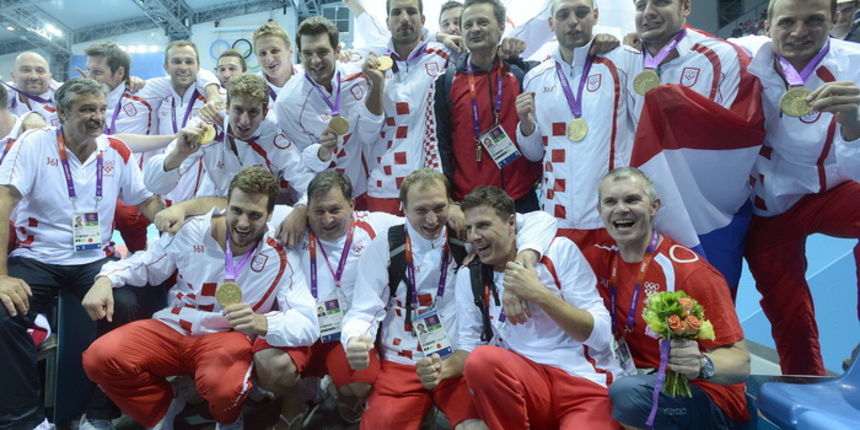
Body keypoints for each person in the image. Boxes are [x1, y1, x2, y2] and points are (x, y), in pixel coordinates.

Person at [81, 166, 318, 429]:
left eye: (254, 215)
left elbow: (307, 322)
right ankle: (163, 407)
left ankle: (229, 417)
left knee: (225, 389)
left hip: (228, 337)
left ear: (270, 215)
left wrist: (263, 323)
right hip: (174, 326)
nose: (242, 223)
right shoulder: (191, 230)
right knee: (99, 358)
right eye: (237, 211)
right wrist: (105, 278)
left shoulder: (281, 254)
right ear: (226, 205)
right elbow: (148, 265)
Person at [0, 78, 164, 430]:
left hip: (94, 260)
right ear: (61, 113)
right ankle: (25, 419)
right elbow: (3, 203)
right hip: (36, 257)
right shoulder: (33, 144)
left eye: (102, 109)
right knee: (2, 312)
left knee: (126, 304)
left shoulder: (116, 149)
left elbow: (145, 200)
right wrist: (1, 277)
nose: (98, 117)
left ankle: (99, 411)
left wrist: (167, 217)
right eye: (87, 109)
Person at [342, 168, 557, 429]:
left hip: (456, 359)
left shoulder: (466, 234)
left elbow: (542, 221)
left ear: (450, 203)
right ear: (403, 209)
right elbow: (364, 310)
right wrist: (354, 338)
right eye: (421, 210)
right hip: (402, 361)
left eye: (439, 207)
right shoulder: (384, 247)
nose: (432, 219)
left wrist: (523, 263)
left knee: (478, 427)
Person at [738, 0, 860, 376]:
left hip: (834, 191)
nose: (798, 31)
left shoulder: (856, 63)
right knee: (786, 311)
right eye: (787, 21)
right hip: (770, 206)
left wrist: (854, 123)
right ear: (767, 25)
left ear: (835, 20)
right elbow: (688, 43)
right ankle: (806, 382)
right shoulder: (743, 55)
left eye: (814, 20)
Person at [439, 185, 620, 430]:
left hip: (582, 381)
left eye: (482, 225)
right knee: (481, 360)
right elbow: (471, 345)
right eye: (469, 228)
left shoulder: (558, 251)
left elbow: (600, 335)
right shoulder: (469, 275)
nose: (473, 237)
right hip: (528, 385)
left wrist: (539, 294)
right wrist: (442, 367)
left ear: (511, 223)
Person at [590, 167, 750, 429]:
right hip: (640, 378)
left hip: (705, 396)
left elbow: (740, 361)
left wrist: (702, 364)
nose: (621, 209)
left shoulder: (689, 271)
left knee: (627, 395)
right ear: (600, 211)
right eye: (610, 202)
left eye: (632, 200)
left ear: (654, 207)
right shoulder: (601, 260)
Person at [253, 171, 401, 428]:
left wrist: (454, 211)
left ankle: (341, 391)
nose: (327, 219)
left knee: (360, 385)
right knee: (268, 367)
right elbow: (234, 206)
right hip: (299, 325)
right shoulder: (288, 220)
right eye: (318, 211)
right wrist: (178, 211)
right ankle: (294, 401)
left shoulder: (375, 226)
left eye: (335, 209)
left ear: (352, 205)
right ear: (307, 208)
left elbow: (419, 218)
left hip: (344, 333)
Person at [517, 0, 639, 248]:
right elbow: (534, 155)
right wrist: (526, 126)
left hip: (613, 215)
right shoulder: (535, 78)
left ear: (595, 15)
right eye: (563, 14)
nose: (573, 20)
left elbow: (647, 130)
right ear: (551, 23)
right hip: (557, 216)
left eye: (581, 12)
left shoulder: (624, 60)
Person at [435, 0, 541, 212]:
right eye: (468, 24)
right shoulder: (447, 82)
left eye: (483, 22)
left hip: (519, 198)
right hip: (469, 201)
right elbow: (444, 144)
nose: (475, 29)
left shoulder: (523, 74)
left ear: (501, 27)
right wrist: (451, 199)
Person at [145, 72, 312, 204]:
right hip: (212, 209)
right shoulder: (204, 126)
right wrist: (178, 154)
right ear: (226, 107)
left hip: (256, 215)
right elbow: (155, 185)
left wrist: (300, 209)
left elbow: (306, 183)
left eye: (253, 112)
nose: (244, 121)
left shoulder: (273, 136)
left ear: (265, 113)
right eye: (238, 110)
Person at [275, 16, 385, 205]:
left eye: (322, 51)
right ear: (299, 55)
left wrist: (441, 36)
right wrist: (323, 151)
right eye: (307, 53)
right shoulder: (287, 102)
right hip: (324, 196)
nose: (315, 60)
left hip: (365, 186)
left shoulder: (360, 70)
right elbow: (301, 163)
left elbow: (393, 42)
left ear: (337, 51)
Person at [360, 0, 453, 214]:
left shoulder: (443, 55)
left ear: (422, 20)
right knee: (388, 247)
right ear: (388, 22)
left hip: (429, 184)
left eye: (411, 11)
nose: (404, 18)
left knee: (429, 246)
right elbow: (366, 133)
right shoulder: (372, 62)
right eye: (397, 13)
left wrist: (443, 36)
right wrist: (376, 84)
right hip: (384, 185)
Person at [5, 51, 59, 127]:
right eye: (26, 70)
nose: (34, 77)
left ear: (49, 77)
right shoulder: (5, 99)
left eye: (40, 71)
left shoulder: (66, 98)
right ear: (13, 76)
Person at [253, 21, 297, 107]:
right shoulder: (252, 89)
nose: (269, 59)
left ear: (290, 52)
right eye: (263, 53)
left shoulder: (308, 78)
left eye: (274, 51)